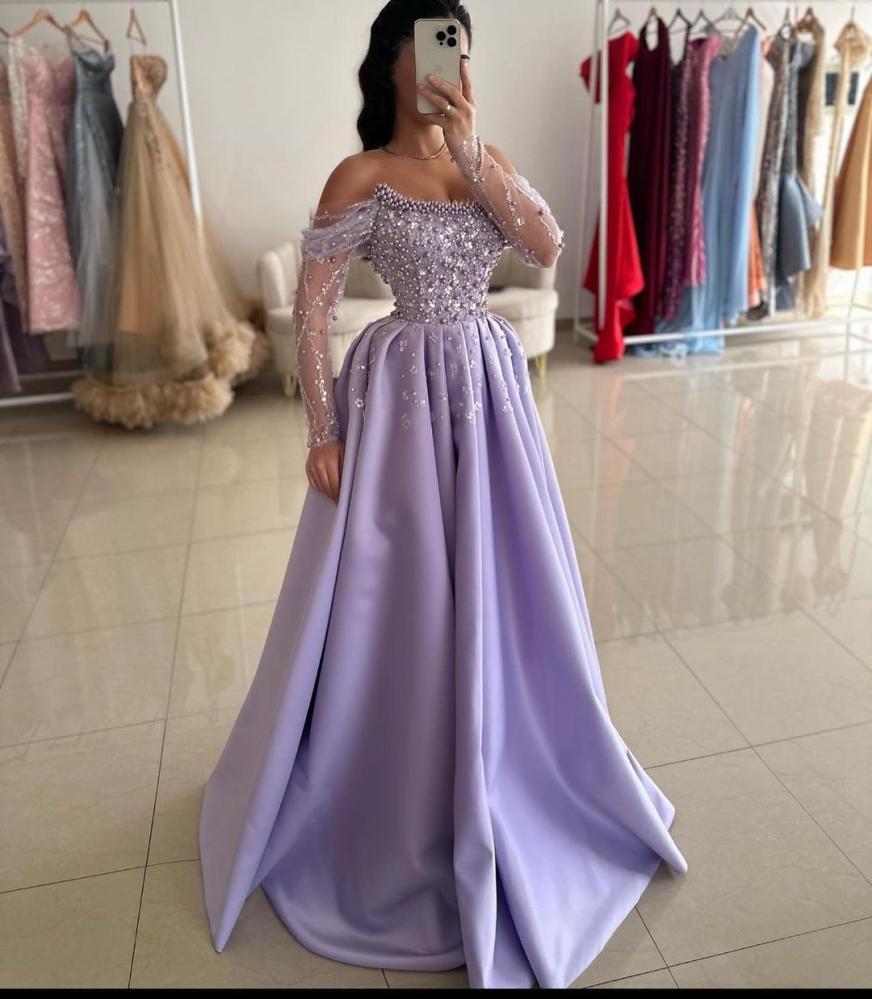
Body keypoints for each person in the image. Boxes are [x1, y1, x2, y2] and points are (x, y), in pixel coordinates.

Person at [198, 1, 688, 989]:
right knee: (407, 590)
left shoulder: (482, 158)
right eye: (430, 45)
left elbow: (544, 246)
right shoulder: (361, 176)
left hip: (489, 393)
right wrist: (323, 430)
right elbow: (312, 310)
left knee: (509, 580)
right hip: (399, 396)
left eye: (459, 46)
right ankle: (396, 771)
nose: (447, 63)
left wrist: (472, 151)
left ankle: (518, 754)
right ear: (392, 61)